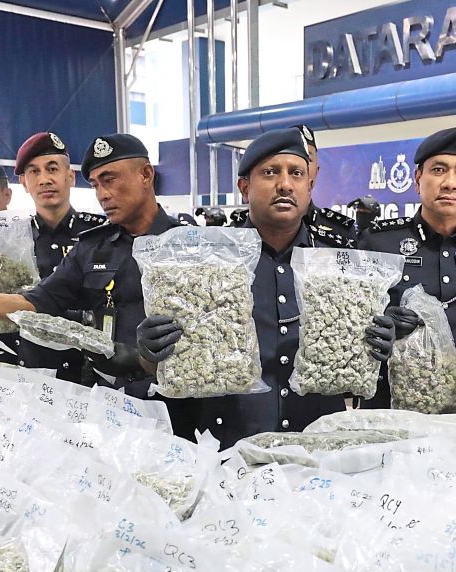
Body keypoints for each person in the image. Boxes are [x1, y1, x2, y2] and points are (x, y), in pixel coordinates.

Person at [136, 128, 393, 447]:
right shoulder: (202, 260)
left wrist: (378, 347)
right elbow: (159, 365)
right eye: (271, 172)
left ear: (309, 186)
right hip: (225, 450)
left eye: (296, 173)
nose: (285, 184)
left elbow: (359, 368)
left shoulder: (339, 264)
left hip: (317, 448)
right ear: (245, 187)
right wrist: (151, 354)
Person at [0, 133, 188, 394]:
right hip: (115, 399)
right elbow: (34, 303)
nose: (102, 195)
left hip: (183, 394)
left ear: (145, 175)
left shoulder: (191, 243)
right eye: (96, 185)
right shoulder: (91, 248)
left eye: (109, 180)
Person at [358, 126, 456, 407]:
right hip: (396, 408)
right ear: (418, 179)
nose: (451, 183)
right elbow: (354, 325)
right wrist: (381, 322)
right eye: (439, 170)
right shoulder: (379, 242)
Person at [10, 131, 109, 380]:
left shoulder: (101, 234)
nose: (44, 179)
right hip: (32, 372)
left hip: (94, 374)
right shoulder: (13, 241)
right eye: (34, 172)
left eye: (52, 169)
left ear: (70, 177)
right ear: (24, 183)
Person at [295, 124, 357, 237]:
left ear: (317, 171)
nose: (301, 166)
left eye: (308, 159)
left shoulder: (341, 229)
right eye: (297, 157)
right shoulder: (261, 225)